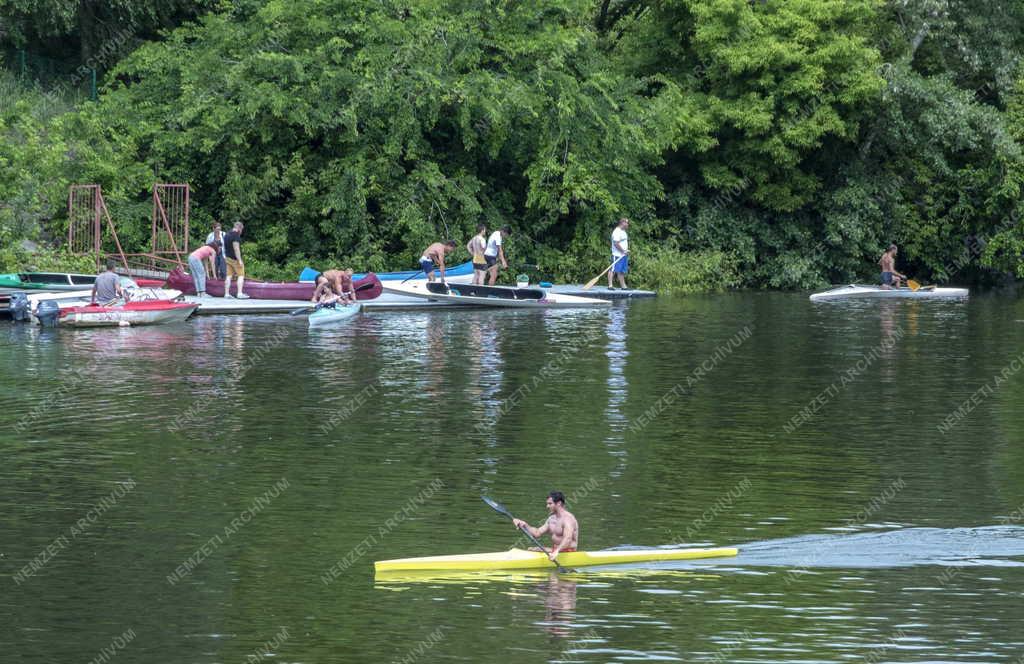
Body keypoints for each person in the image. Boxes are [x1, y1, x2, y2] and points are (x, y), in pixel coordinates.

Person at [511, 491, 579, 561]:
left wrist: (556, 552)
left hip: (568, 551)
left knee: (534, 549)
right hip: (556, 550)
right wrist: (524, 525)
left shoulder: (568, 519)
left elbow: (568, 539)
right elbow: (537, 533)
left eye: (550, 504)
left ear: (559, 503)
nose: (547, 506)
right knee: (531, 549)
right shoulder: (551, 519)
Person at [222, 222, 250, 299]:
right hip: (235, 259)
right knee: (241, 275)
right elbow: (236, 248)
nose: (241, 232)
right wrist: (240, 260)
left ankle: (226, 294)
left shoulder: (226, 235)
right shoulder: (235, 235)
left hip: (228, 258)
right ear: (239, 228)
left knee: (228, 276)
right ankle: (239, 293)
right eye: (242, 230)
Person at [608, 217, 629, 290]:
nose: (627, 224)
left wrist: (625, 251)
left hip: (623, 255)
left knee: (621, 271)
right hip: (617, 255)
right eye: (626, 222)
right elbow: (616, 243)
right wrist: (623, 251)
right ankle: (610, 285)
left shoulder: (623, 231)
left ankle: (623, 286)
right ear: (622, 223)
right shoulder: (616, 232)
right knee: (613, 270)